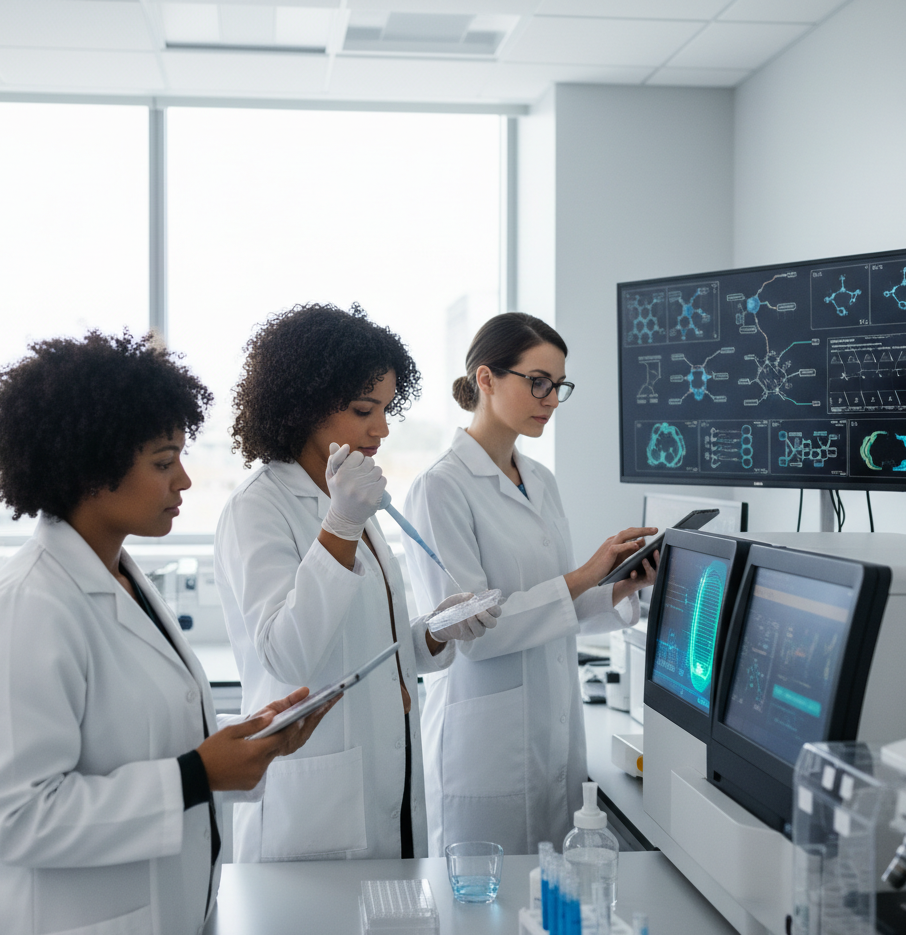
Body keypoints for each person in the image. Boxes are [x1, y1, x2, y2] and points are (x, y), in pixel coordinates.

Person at [0, 331, 331, 935]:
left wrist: (242, 743)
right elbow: (17, 819)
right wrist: (197, 774)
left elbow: (144, 740)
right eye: (164, 463)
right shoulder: (25, 609)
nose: (184, 482)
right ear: (89, 470)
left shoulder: (123, 579)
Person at [215, 303, 498, 863]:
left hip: (384, 775)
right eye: (364, 409)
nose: (382, 428)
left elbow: (374, 649)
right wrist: (340, 526)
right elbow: (289, 654)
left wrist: (439, 631)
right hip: (315, 805)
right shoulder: (261, 507)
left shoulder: (350, 499)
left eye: (387, 409)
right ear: (303, 405)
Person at [402, 312, 659, 856]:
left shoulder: (540, 479)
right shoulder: (439, 490)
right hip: (483, 750)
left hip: (552, 734)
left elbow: (556, 604)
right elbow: (469, 631)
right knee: (479, 921)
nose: (551, 398)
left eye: (558, 385)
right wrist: (587, 573)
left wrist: (618, 585)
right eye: (537, 381)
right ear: (486, 379)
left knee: (548, 903)